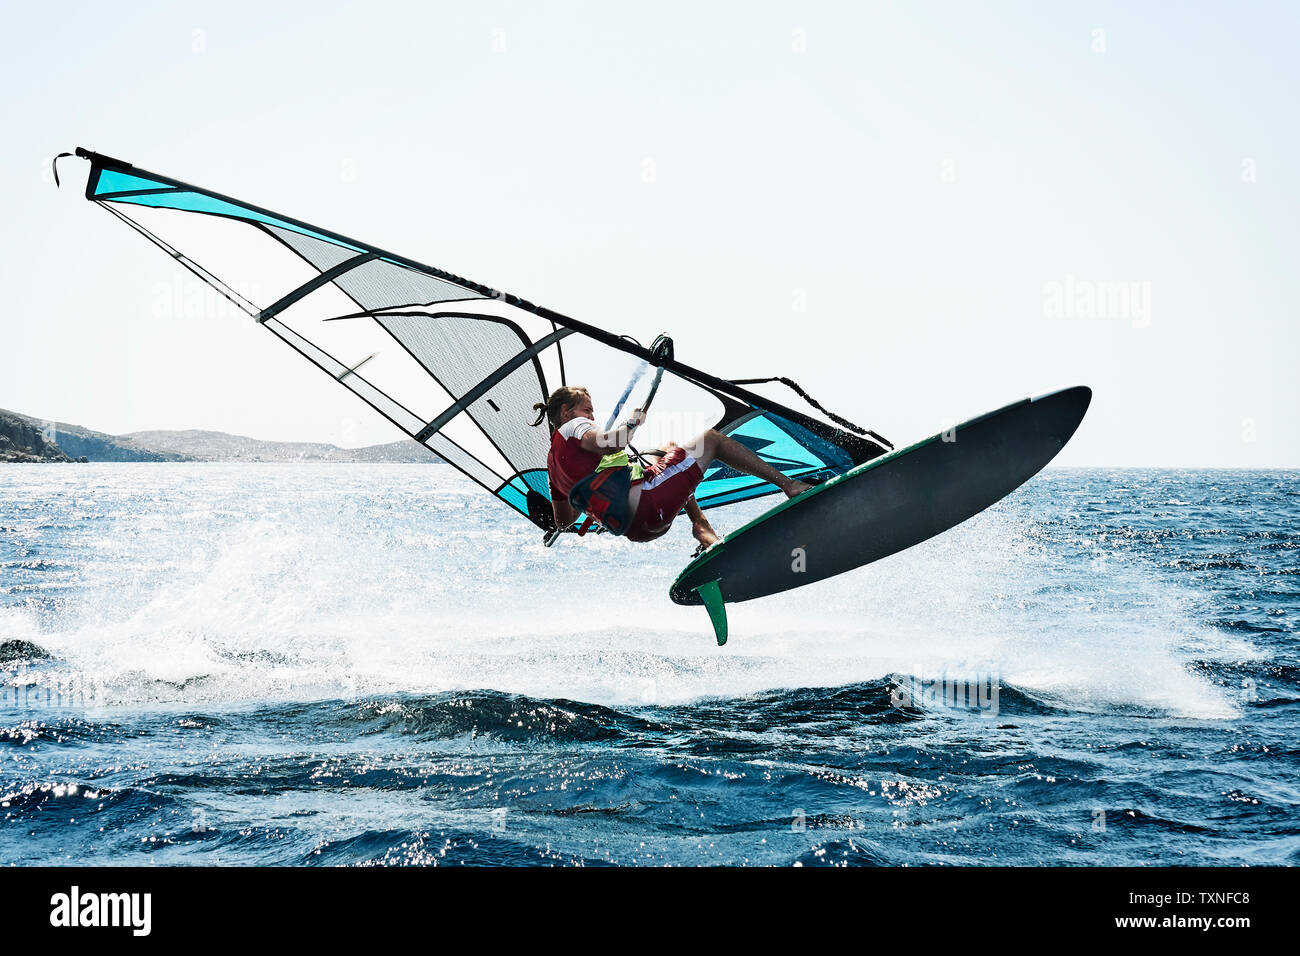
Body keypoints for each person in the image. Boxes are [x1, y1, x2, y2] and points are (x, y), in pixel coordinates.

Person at [531, 385, 811, 548]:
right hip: (649, 502)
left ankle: (701, 527)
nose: (592, 416)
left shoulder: (553, 464)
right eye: (587, 410)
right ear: (566, 412)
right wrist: (632, 422)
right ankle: (790, 486)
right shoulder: (573, 426)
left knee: (669, 448)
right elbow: (612, 443)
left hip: (637, 530)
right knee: (711, 441)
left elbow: (563, 521)